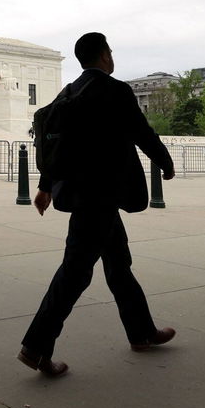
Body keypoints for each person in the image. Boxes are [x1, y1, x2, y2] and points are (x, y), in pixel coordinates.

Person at [18, 32, 177, 378]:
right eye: (110, 52)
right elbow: (142, 132)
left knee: (118, 265)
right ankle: (36, 346)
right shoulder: (114, 90)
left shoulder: (68, 93)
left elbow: (59, 149)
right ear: (104, 56)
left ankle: (142, 333)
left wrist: (45, 187)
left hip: (79, 194)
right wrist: (164, 161)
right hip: (101, 196)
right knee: (75, 273)